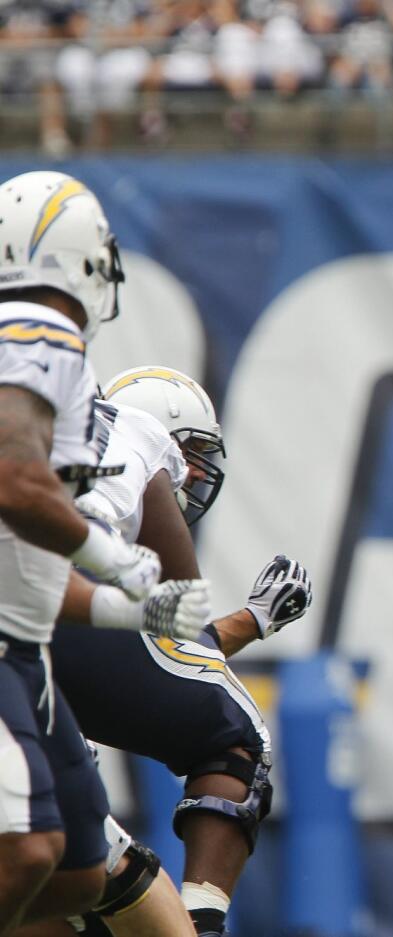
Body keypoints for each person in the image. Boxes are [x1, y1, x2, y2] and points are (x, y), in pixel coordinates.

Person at [0, 170, 208, 934]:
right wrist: (115, 556)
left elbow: (24, 569)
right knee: (27, 854)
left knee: (79, 869)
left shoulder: (49, 360)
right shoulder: (36, 332)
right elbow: (16, 485)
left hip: (21, 645)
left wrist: (131, 605)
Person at [47, 365, 313, 937]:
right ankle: (201, 921)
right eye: (190, 450)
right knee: (237, 736)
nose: (194, 471)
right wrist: (248, 621)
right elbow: (181, 625)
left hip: (31, 618)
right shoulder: (135, 430)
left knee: (39, 835)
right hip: (44, 593)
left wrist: (254, 621)